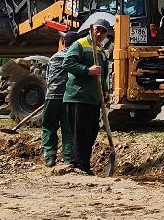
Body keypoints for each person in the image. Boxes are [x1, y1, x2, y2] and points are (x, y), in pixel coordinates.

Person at [59, 13, 113, 173]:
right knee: (80, 132)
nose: (99, 34)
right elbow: (67, 63)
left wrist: (105, 90)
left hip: (93, 98)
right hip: (78, 97)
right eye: (97, 30)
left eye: (103, 32)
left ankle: (83, 162)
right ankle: (79, 164)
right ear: (91, 30)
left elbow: (102, 74)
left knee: (91, 132)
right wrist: (86, 70)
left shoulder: (101, 51)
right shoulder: (80, 45)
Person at [40, 26, 83, 166]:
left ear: (64, 42)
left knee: (49, 126)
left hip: (52, 96)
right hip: (68, 98)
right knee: (68, 128)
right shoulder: (77, 58)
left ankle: (49, 157)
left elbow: (47, 78)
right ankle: (68, 159)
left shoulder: (53, 58)